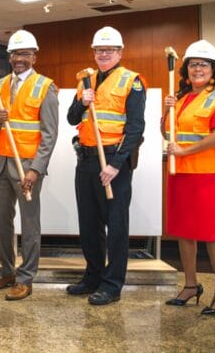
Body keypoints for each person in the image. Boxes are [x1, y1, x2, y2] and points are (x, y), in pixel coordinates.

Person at [66, 26, 146, 305]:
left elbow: (135, 128)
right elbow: (72, 118)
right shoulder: (85, 80)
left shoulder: (132, 81)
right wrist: (82, 102)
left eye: (109, 50)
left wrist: (115, 165)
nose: (103, 54)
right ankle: (93, 277)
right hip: (86, 159)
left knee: (116, 225)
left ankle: (112, 285)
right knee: (89, 223)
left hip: (113, 162)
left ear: (120, 52)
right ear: (93, 52)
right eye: (99, 50)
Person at [162, 40, 215, 315]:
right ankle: (191, 285)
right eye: (193, 64)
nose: (198, 69)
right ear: (186, 69)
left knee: (212, 234)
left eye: (203, 64)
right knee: (184, 232)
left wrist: (185, 151)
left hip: (207, 174)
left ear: (212, 69)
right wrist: (168, 110)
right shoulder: (181, 98)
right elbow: (167, 133)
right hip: (180, 173)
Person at [0, 30, 59, 300]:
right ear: (9, 57)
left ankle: (26, 278)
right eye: (15, 54)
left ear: (34, 57)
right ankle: (7, 271)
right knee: (1, 222)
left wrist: (36, 169)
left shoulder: (45, 86)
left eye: (25, 54)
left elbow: (50, 134)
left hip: (27, 166)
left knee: (29, 223)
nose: (19, 59)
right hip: (0, 165)